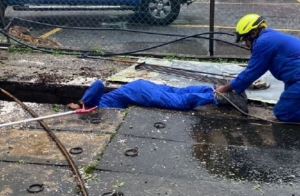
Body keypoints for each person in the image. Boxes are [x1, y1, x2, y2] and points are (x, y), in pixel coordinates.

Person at [216, 13, 300, 122]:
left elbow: (251, 72)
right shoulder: (270, 37)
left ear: (253, 33)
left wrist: (224, 89)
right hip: (294, 79)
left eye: (245, 39)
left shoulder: (263, 43)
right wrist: (235, 86)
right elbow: (259, 69)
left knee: (282, 112)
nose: (246, 44)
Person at [68, 78, 248, 113]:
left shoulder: (91, 104)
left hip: (139, 91)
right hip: (139, 87)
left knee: (179, 102)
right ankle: (219, 89)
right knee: (179, 92)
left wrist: (81, 102)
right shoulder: (95, 106)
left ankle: (219, 96)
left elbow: (98, 83)